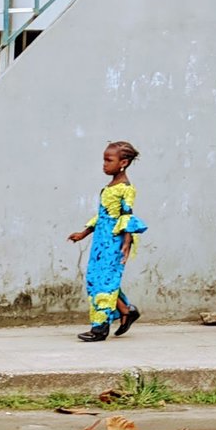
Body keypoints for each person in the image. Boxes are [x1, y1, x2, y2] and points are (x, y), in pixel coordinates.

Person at [66, 141, 147, 342]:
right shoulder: (109, 187)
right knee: (98, 278)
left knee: (105, 281)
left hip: (114, 240)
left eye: (108, 160)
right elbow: (103, 216)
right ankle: (126, 310)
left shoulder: (126, 189)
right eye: (104, 159)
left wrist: (127, 242)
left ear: (123, 162)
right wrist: (83, 233)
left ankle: (100, 327)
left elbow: (127, 215)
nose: (104, 164)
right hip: (101, 240)